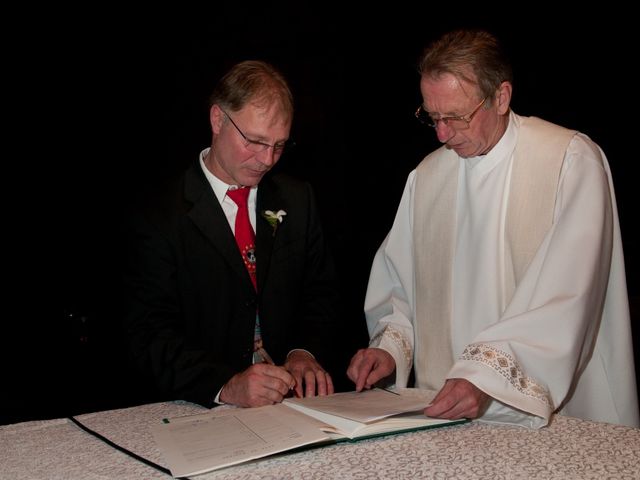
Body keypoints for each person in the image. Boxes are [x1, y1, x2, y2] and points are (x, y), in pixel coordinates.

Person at [347, 29, 639, 428]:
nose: (442, 134)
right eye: (432, 117)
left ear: (501, 97)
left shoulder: (568, 162)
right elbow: (402, 288)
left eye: (455, 116)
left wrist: (485, 378)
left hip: (551, 409)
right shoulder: (428, 177)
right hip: (448, 409)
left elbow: (567, 296)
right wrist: (390, 349)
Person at [124, 60, 339, 408]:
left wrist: (303, 352)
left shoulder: (298, 200)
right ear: (217, 119)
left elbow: (320, 293)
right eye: (255, 141)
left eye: (279, 145)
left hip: (289, 411)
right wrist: (226, 385)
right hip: (193, 409)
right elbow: (147, 334)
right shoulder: (160, 214)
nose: (267, 159)